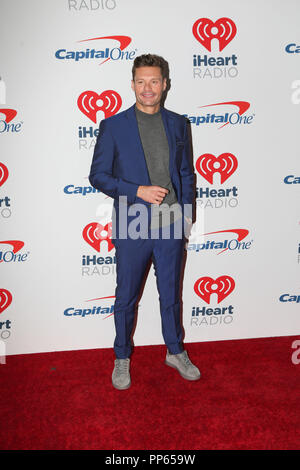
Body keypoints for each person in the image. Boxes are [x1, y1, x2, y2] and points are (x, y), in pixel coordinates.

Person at [89, 54, 200, 390]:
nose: (148, 88)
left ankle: (175, 350)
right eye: (141, 81)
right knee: (125, 297)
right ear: (132, 83)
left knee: (171, 294)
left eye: (154, 81)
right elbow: (98, 176)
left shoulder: (179, 123)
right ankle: (121, 357)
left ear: (165, 84)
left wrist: (187, 214)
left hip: (170, 222)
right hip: (132, 221)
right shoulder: (114, 125)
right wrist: (137, 190)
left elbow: (185, 172)